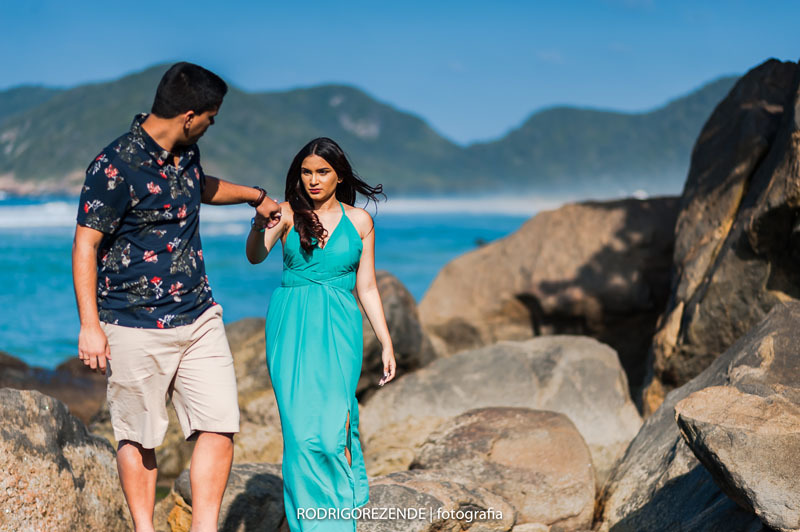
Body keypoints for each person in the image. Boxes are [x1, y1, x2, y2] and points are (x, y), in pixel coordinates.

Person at [72, 62, 282, 532]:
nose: (212, 123)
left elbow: (198, 188)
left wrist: (255, 195)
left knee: (220, 424)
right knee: (138, 436)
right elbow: (85, 243)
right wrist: (90, 325)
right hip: (132, 323)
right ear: (189, 116)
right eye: (211, 116)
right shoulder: (114, 166)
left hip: (199, 315)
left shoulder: (187, 155)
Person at [246, 137, 397, 531]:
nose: (313, 180)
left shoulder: (360, 222)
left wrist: (385, 341)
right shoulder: (285, 214)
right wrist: (259, 223)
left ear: (339, 175)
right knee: (299, 438)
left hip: (341, 328)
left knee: (332, 433)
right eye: (306, 172)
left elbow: (366, 287)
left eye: (322, 172)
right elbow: (255, 255)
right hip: (291, 326)